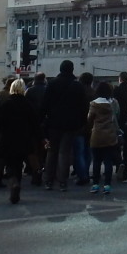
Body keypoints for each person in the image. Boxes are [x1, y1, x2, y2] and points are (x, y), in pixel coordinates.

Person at [41, 60, 88, 191]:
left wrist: (42, 121)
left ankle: (48, 180)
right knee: (64, 152)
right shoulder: (77, 86)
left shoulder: (52, 84)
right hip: (71, 124)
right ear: (72, 69)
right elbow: (83, 107)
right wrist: (81, 123)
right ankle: (62, 181)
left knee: (52, 151)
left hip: (54, 123)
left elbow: (45, 104)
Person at [0, 78, 39, 204]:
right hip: (24, 139)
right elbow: (35, 124)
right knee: (19, 164)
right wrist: (40, 137)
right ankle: (17, 185)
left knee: (10, 165)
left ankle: (13, 183)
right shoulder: (28, 104)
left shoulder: (5, 104)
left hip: (7, 139)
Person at [87, 81, 121, 195]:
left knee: (96, 161)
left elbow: (89, 119)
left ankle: (95, 184)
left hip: (96, 135)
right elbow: (117, 116)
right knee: (108, 161)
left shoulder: (93, 104)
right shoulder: (112, 103)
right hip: (110, 135)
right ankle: (107, 185)